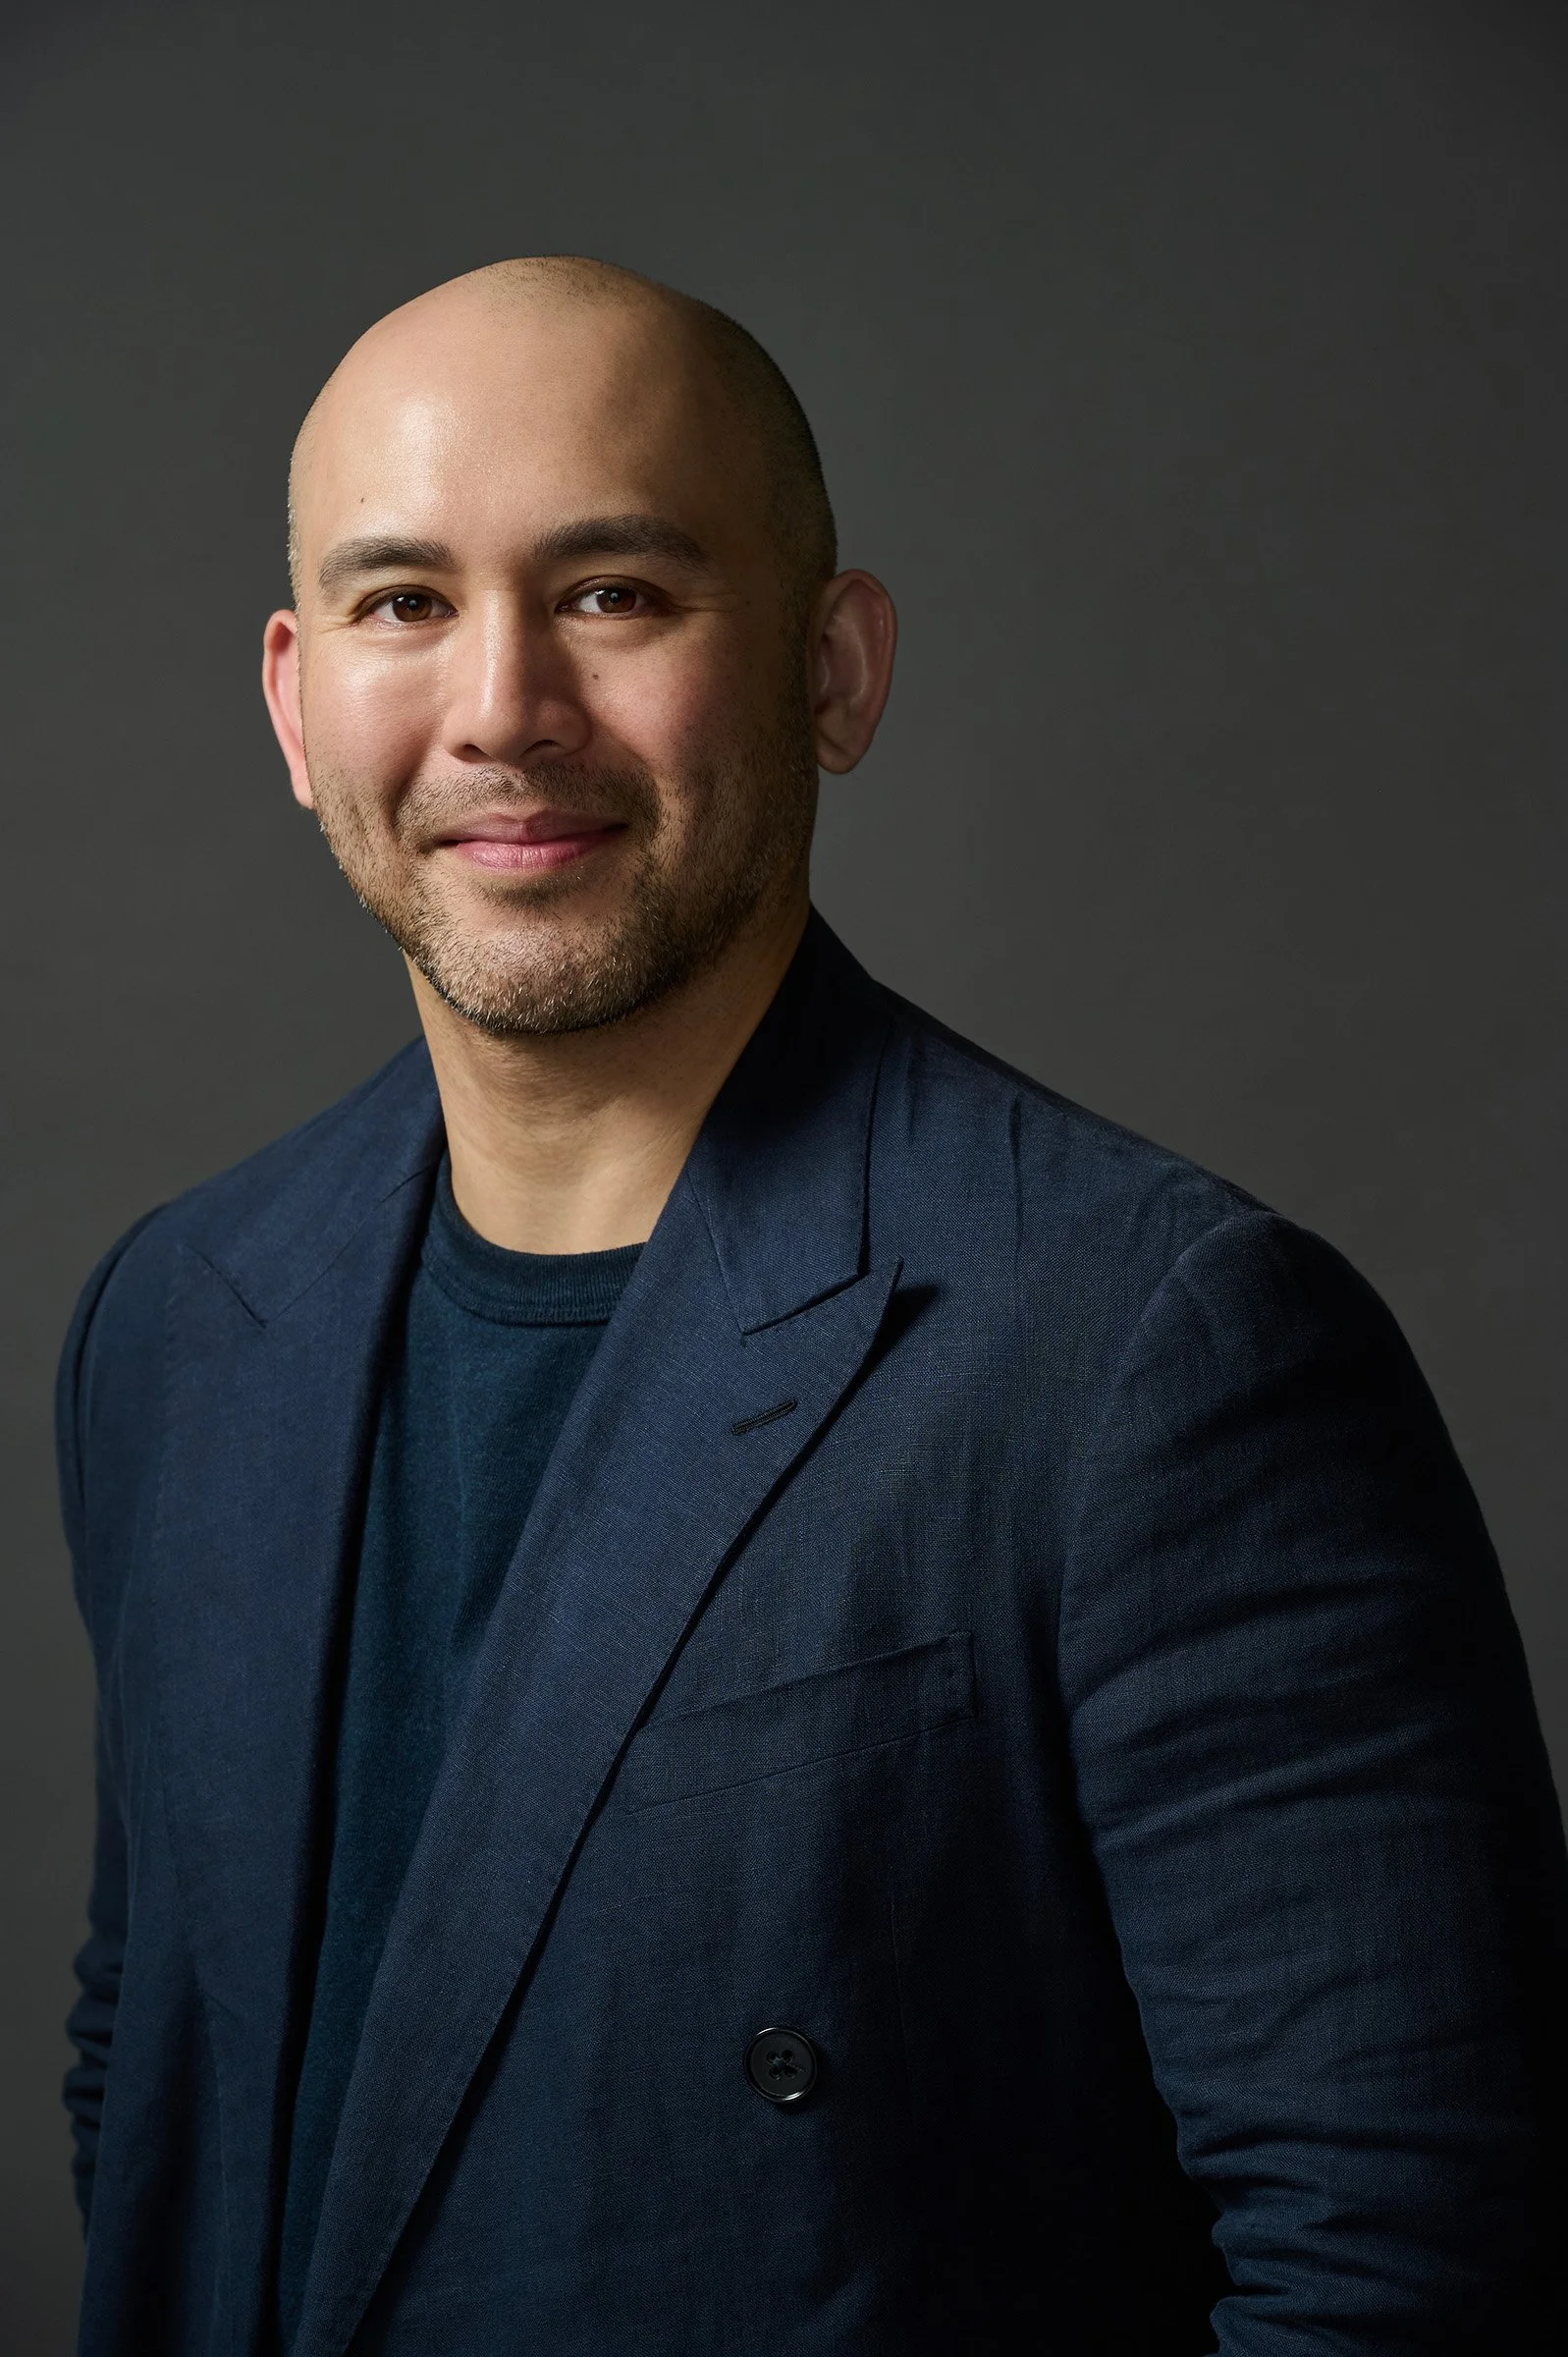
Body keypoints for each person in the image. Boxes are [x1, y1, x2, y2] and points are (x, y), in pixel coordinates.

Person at [60, 255, 1567, 2357]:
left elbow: (1409, 2270)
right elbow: (167, 2108)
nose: (501, 706)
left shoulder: (1158, 1351)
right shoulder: (176, 1326)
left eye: (615, 592)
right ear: (299, 702)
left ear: (835, 671)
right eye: (407, 601)